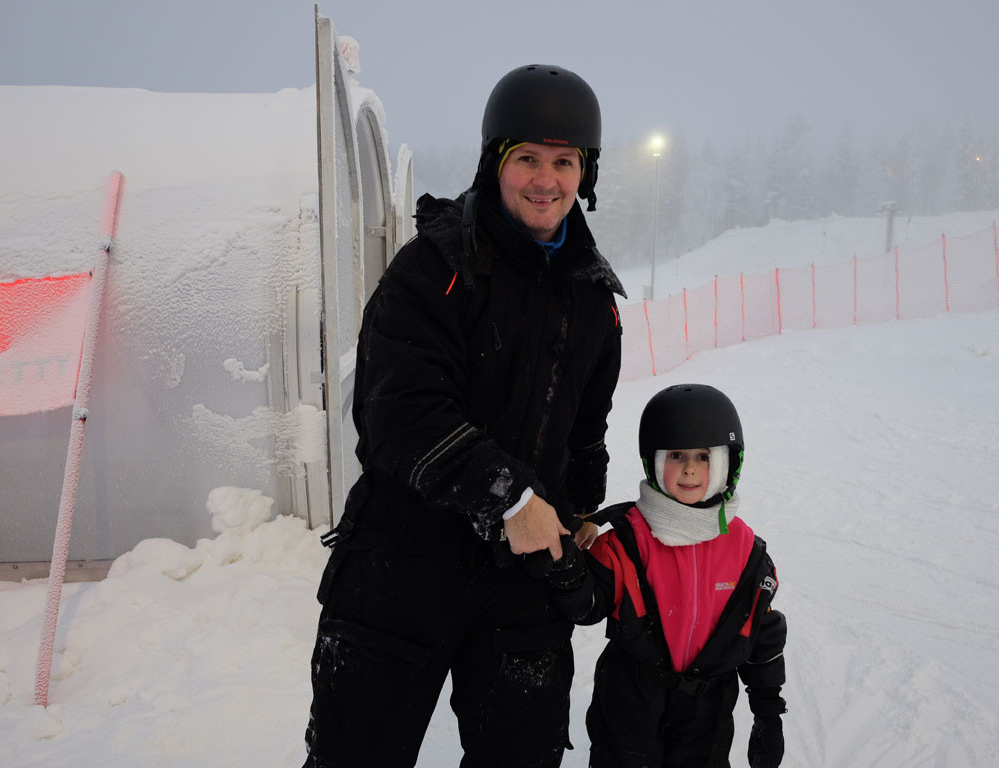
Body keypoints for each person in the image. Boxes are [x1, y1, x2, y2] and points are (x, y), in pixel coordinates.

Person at [302, 64, 625, 768]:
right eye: (527, 158)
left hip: (521, 580)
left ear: (586, 173)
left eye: (564, 162)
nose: (546, 180)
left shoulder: (592, 300)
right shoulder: (434, 270)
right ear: (494, 161)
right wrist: (511, 498)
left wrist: (577, 509)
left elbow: (584, 432)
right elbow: (400, 415)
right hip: (403, 559)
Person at [547, 383, 788, 767]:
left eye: (704, 456)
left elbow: (760, 633)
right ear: (655, 462)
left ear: (728, 463)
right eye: (676, 455)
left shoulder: (745, 552)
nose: (690, 468)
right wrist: (565, 565)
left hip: (705, 717)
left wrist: (768, 712)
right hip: (631, 707)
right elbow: (589, 606)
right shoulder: (627, 541)